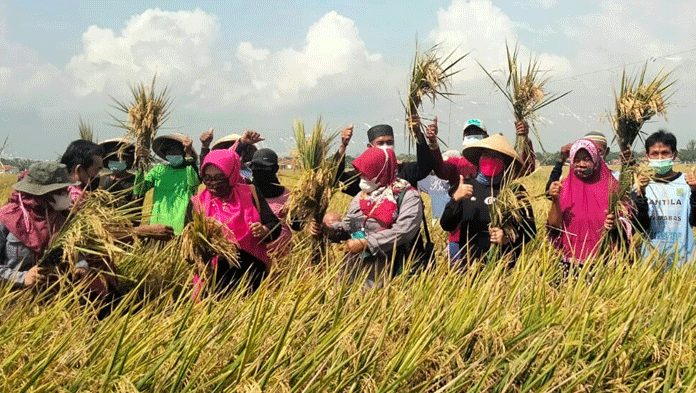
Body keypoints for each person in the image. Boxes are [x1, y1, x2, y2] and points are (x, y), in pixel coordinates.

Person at [311, 147, 424, 289]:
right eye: (361, 173)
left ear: (381, 171)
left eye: (366, 174)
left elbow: (404, 231)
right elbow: (350, 227)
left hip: (389, 272)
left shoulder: (406, 195)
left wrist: (366, 243)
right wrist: (326, 230)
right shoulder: (362, 196)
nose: (362, 177)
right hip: (353, 271)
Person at [427, 119, 534, 264]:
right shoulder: (467, 187)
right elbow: (447, 225)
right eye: (486, 155)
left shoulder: (513, 191)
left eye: (496, 156)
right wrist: (455, 199)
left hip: (503, 267)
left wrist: (508, 238)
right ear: (478, 159)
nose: (490, 159)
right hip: (468, 267)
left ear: (504, 162)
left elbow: (530, 231)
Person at [187, 149, 281, 293]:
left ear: (231, 174)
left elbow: (274, 225)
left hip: (251, 274)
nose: (213, 183)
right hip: (212, 279)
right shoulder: (197, 203)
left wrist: (265, 231)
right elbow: (186, 242)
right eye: (207, 178)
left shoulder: (250, 193)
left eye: (219, 177)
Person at [546, 139, 648, 269]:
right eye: (576, 160)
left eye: (587, 159)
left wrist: (615, 223)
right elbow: (555, 227)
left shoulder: (613, 187)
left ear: (596, 159)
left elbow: (627, 220)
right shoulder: (563, 188)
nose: (581, 164)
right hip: (570, 263)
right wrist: (555, 200)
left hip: (606, 261)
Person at [0, 163, 76, 288]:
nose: (67, 195)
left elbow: (76, 250)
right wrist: (22, 277)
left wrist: (80, 264)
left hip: (53, 297)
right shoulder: (7, 218)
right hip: (13, 298)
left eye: (66, 190)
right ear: (42, 195)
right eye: (60, 192)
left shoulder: (64, 218)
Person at [336, 117, 435, 197]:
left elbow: (425, 166)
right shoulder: (362, 176)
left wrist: (417, 133)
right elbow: (337, 178)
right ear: (370, 147)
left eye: (389, 142)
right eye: (380, 143)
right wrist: (344, 145)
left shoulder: (404, 170)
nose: (386, 146)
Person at [639, 130, 696, 268]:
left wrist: (695, 192)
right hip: (650, 260)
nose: (659, 158)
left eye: (665, 153)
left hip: (683, 258)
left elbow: (695, 220)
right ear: (647, 157)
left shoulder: (688, 183)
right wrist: (640, 194)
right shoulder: (642, 185)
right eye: (654, 154)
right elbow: (640, 225)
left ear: (674, 155)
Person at [134, 134, 200, 235]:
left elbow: (194, 183)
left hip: (180, 230)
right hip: (157, 228)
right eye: (168, 152)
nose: (171, 154)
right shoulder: (159, 170)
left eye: (174, 151)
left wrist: (188, 154)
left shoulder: (189, 171)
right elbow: (139, 190)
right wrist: (140, 165)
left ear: (183, 152)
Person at [545, 130, 621, 194]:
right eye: (587, 153)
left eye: (598, 151)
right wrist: (561, 160)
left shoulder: (616, 178)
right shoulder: (572, 182)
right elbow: (550, 193)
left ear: (607, 152)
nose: (595, 155)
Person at [249, 148, 292, 256]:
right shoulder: (246, 193)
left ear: (275, 169)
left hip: (283, 258)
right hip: (255, 258)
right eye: (256, 167)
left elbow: (298, 226)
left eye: (264, 168)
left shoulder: (288, 195)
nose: (259, 172)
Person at [60, 139, 104, 207]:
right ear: (79, 170)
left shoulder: (58, 193)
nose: (98, 175)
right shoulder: (78, 199)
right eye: (97, 170)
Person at [98, 138, 137, 207]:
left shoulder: (135, 181)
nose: (116, 162)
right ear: (107, 162)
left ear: (128, 161)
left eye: (120, 159)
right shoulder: (101, 180)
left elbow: (137, 203)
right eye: (113, 159)